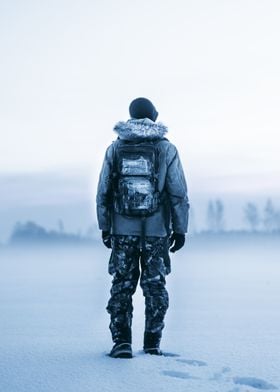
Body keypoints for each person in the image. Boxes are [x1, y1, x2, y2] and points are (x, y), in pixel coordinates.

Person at [96, 97, 189, 358]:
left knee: (122, 285)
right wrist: (180, 228)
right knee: (155, 287)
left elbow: (103, 191)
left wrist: (106, 226)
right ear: (153, 116)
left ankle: (122, 342)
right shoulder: (166, 149)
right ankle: (152, 344)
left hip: (122, 230)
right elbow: (178, 192)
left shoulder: (115, 148)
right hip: (157, 231)